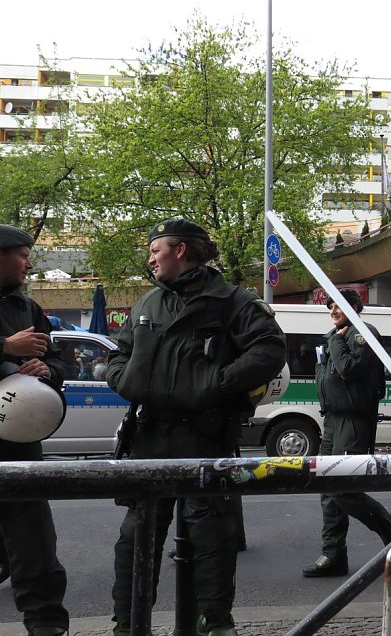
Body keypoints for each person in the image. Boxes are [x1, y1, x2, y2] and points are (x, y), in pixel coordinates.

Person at [105, 218, 287, 636]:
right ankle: (130, 626)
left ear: (181, 250)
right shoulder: (149, 302)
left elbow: (270, 349)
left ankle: (215, 623)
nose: (150, 258)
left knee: (212, 537)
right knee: (136, 539)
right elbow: (120, 353)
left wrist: (215, 385)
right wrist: (124, 379)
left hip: (204, 435)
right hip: (150, 436)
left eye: (156, 250)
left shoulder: (232, 301)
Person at [303, 289, 391, 577]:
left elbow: (349, 369)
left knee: (343, 487)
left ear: (357, 307)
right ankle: (333, 553)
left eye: (340, 306)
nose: (334, 311)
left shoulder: (363, 333)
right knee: (327, 486)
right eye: (331, 306)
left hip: (354, 421)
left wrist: (336, 340)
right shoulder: (334, 336)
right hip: (333, 421)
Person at [0, 224, 70, 636]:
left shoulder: (26, 307)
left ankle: (47, 627)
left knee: (35, 545)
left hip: (19, 446)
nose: (29, 263)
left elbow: (58, 362)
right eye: (22, 255)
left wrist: (48, 371)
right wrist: (6, 348)